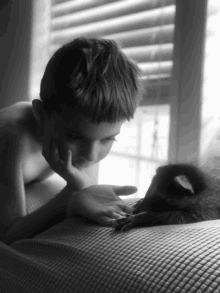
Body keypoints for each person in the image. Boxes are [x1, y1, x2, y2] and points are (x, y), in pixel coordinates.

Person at [0, 37, 143, 245]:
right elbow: (9, 235)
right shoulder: (12, 139)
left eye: (108, 139)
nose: (91, 155)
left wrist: (81, 188)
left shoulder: (84, 141)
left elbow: (85, 185)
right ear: (41, 114)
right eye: (75, 137)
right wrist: (69, 195)